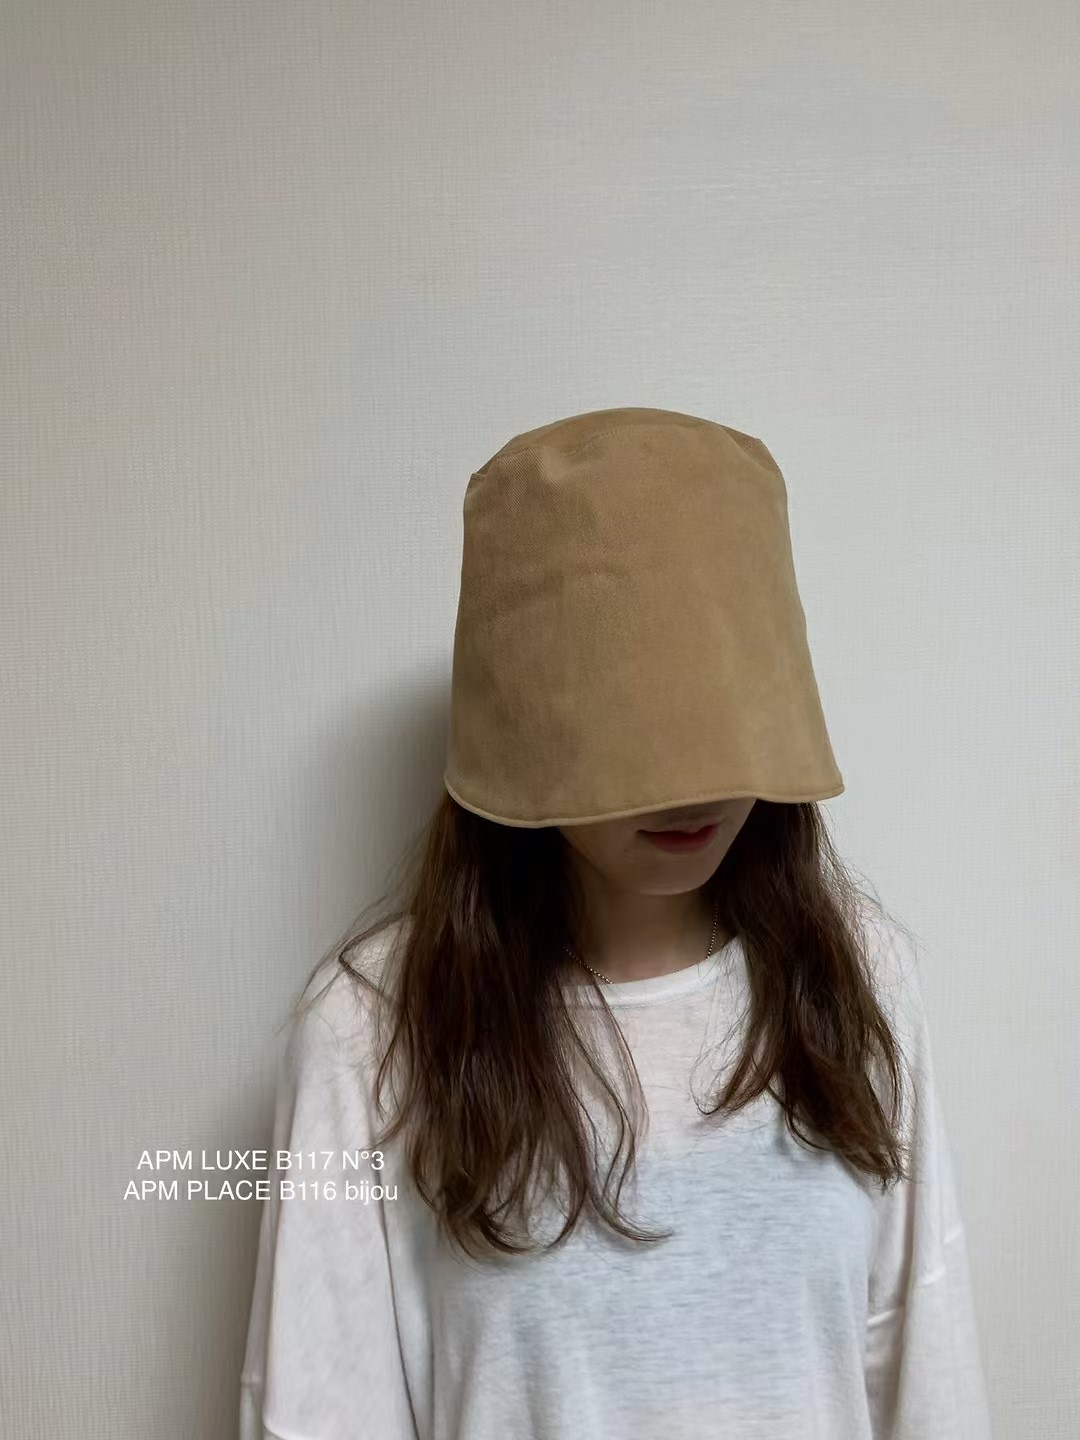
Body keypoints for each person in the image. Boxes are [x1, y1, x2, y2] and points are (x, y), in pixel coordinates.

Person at [239, 407, 992, 1439]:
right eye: (628, 723)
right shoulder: (369, 1034)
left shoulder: (861, 975)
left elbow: (926, 1378)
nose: (689, 790)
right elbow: (318, 1415)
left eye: (720, 714)